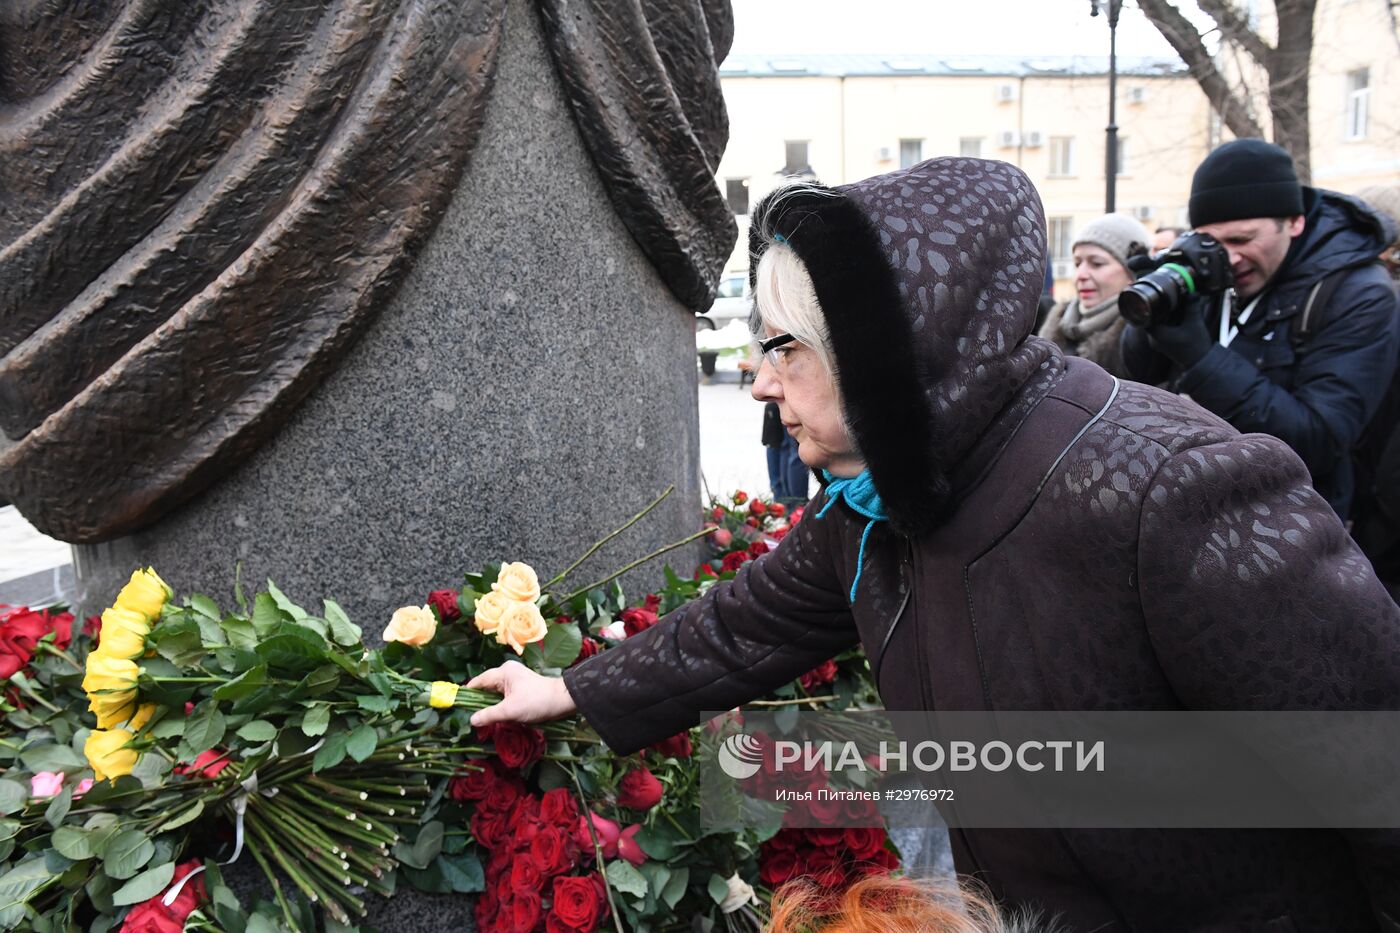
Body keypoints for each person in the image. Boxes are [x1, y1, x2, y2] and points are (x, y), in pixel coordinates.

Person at [467, 157, 1400, 929]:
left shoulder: (1173, 486)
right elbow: (746, 623)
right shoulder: (878, 496)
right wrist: (567, 688)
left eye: (783, 347)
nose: (757, 384)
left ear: (883, 350)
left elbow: (1373, 762)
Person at [1121, 139, 1400, 520]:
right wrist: (1150, 321)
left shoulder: (1359, 294)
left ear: (1294, 221)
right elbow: (1139, 376)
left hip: (1289, 527)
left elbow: (1320, 440)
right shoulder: (1211, 266)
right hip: (1190, 508)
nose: (1229, 258)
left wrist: (1201, 359)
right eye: (1212, 242)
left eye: (1242, 239)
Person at [1036, 214, 1152, 377]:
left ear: (1133, 271)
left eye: (1096, 263)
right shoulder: (1055, 323)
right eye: (1077, 263)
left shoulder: (1145, 335)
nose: (1080, 275)